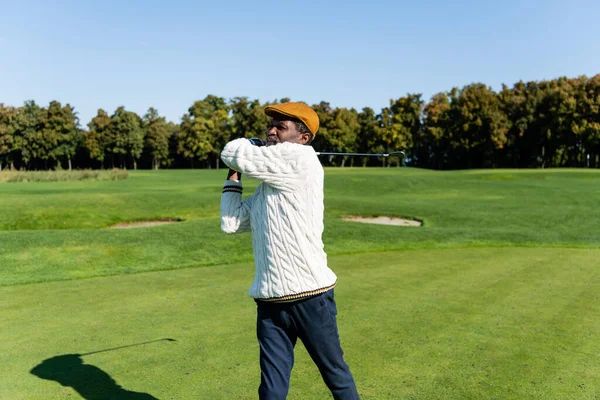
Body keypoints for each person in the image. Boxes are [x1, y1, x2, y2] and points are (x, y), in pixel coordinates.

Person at [220, 102, 360, 399]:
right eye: (269, 126)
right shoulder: (270, 187)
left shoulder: (298, 159)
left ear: (303, 138)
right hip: (270, 299)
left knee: (335, 375)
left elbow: (231, 151)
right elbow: (232, 223)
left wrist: (249, 147)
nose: (271, 131)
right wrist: (234, 177)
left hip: (310, 296)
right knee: (271, 388)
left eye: (280, 128)